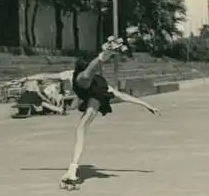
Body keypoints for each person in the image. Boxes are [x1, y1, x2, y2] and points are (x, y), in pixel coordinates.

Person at [60, 36, 160, 187]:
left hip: (92, 93)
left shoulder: (86, 80)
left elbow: (123, 96)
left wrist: (146, 104)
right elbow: (123, 96)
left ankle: (73, 169)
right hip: (90, 87)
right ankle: (72, 168)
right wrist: (146, 105)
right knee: (85, 79)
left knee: (81, 126)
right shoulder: (85, 78)